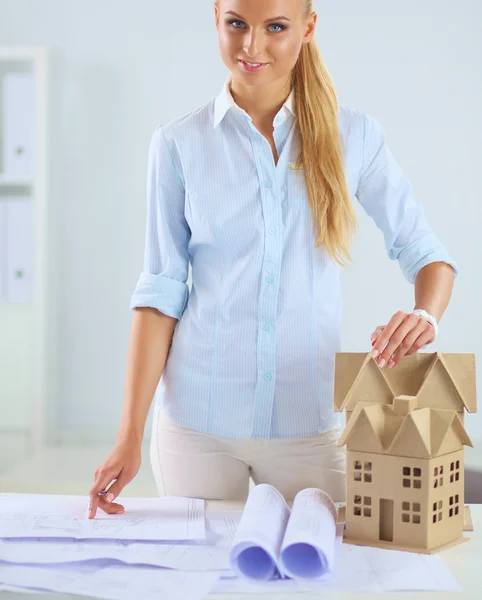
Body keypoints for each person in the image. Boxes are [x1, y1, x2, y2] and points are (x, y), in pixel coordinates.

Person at [88, 0, 458, 519]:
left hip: (310, 427)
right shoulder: (177, 143)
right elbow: (160, 293)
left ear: (308, 28)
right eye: (236, 23)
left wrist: (425, 315)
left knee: (313, 578)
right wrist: (128, 435)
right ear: (215, 18)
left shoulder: (356, 137)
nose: (251, 46)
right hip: (196, 427)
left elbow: (426, 253)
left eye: (276, 27)